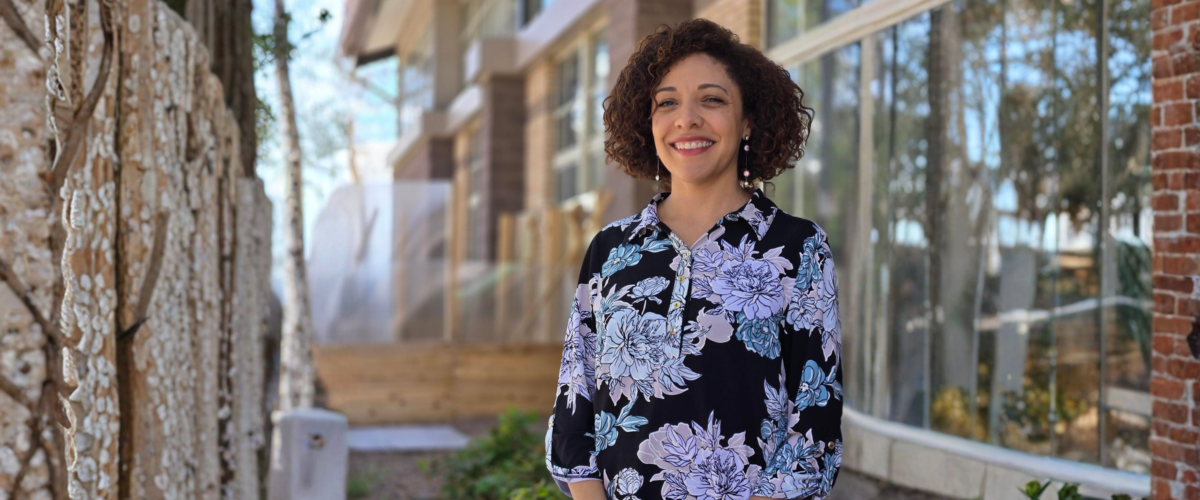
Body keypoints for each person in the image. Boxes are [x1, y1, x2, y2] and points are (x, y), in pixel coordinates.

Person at [545, 18, 843, 500]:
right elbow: (575, 400)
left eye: (713, 99)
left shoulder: (798, 247)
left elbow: (815, 420)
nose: (686, 119)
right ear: (648, 122)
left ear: (748, 120)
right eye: (667, 103)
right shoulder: (611, 250)